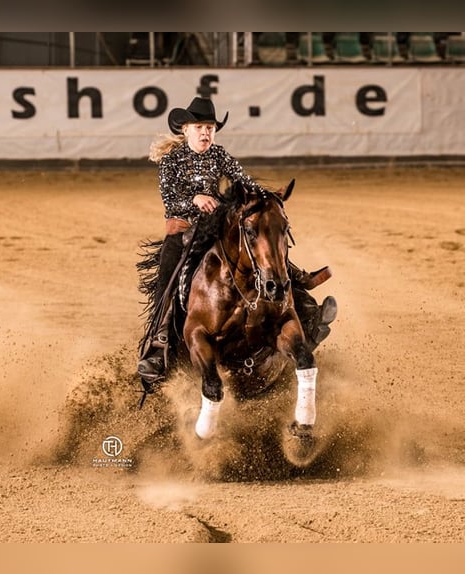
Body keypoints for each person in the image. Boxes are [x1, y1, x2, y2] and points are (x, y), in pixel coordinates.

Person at [137, 96, 336, 387]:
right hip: (184, 232)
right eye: (200, 127)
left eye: (210, 127)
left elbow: (244, 183)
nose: (206, 132)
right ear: (186, 130)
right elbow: (170, 198)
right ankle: (159, 345)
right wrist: (194, 199)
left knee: (264, 249)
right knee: (169, 280)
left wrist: (268, 198)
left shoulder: (219, 155)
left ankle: (303, 306)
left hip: (218, 227)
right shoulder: (172, 160)